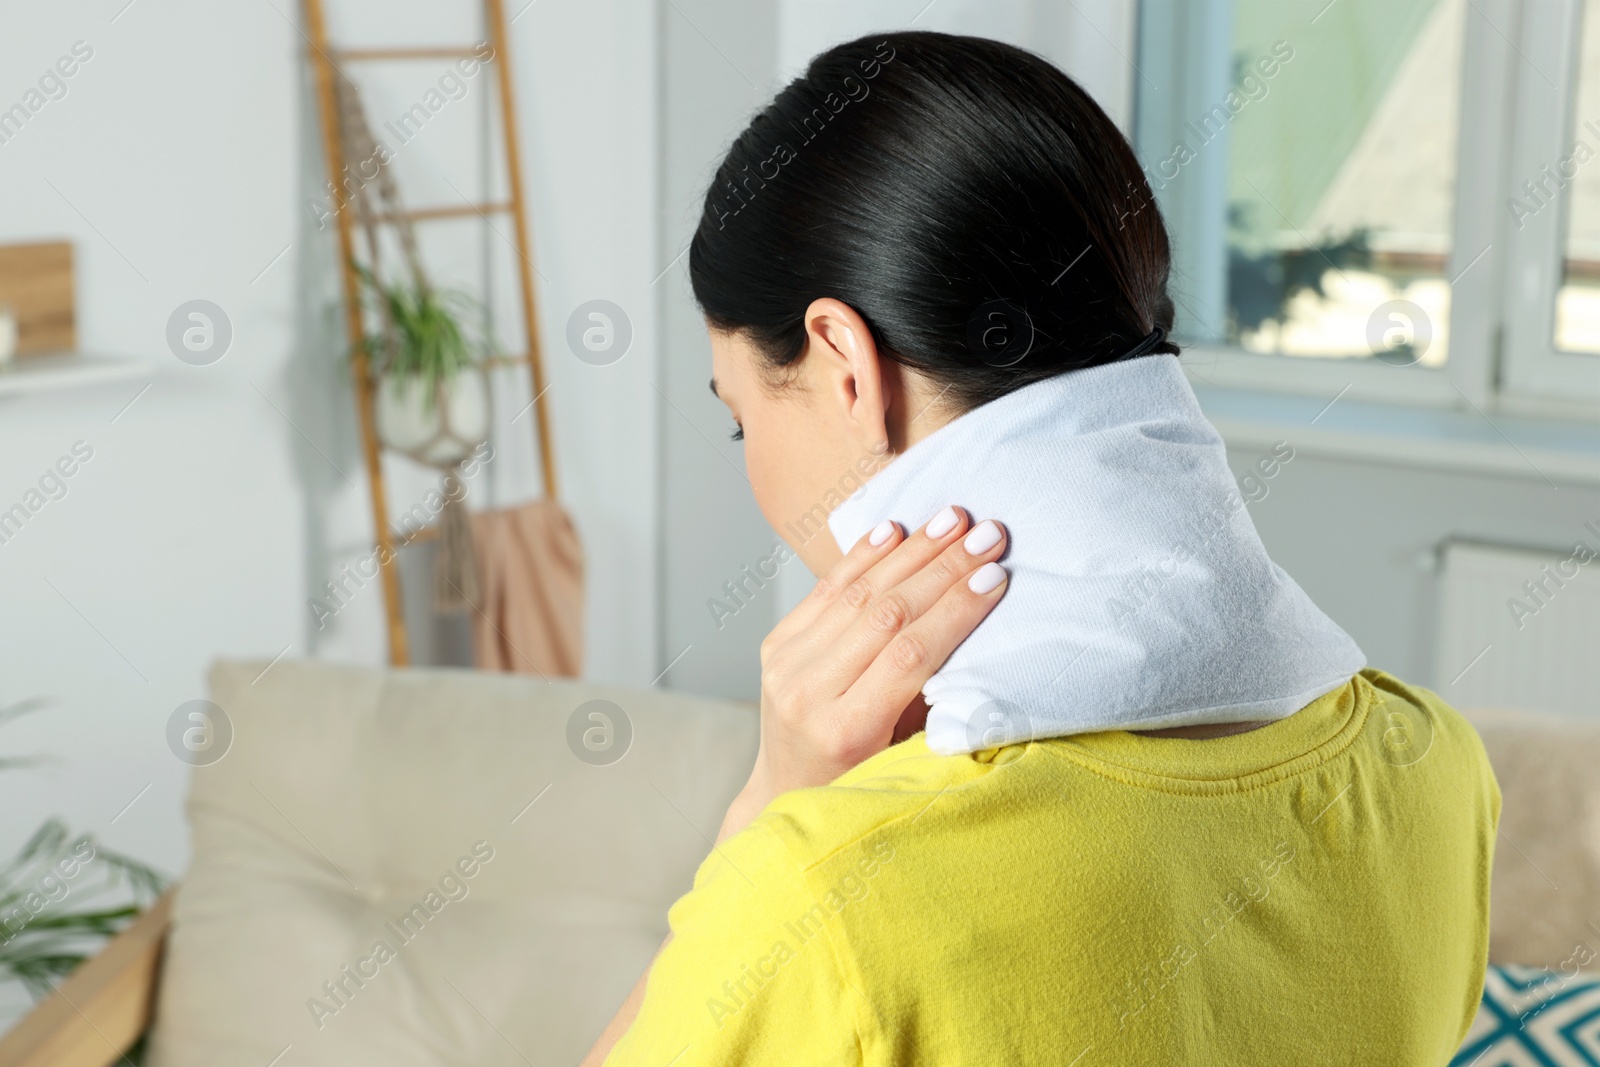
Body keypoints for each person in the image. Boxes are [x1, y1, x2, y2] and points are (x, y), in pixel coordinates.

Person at [585, 31, 1499, 1066]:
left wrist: (771, 807)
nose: (751, 465)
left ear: (846, 365)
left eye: (742, 419)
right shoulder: (1436, 766)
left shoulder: (821, 895)